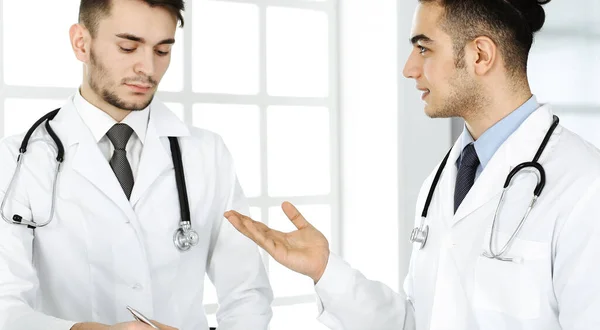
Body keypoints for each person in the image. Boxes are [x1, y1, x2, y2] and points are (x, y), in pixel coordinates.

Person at [224, 0, 600, 329]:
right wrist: (325, 269)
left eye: (424, 49)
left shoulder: (584, 185)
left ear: (480, 56)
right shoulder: (445, 179)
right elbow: (420, 322)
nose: (409, 68)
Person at [0, 1, 273, 329]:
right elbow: (5, 303)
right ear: (81, 43)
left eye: (162, 51)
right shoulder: (16, 160)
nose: (148, 68)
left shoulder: (206, 153)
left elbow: (246, 291)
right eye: (128, 47)